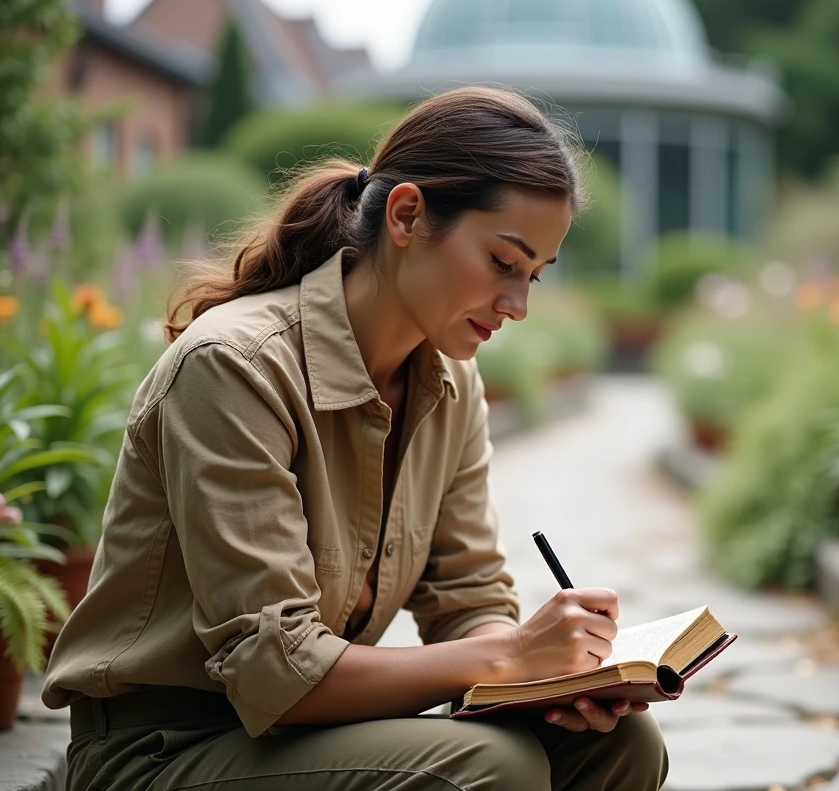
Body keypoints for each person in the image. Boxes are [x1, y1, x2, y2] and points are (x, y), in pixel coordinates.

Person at [41, 87, 668, 791]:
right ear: (406, 215)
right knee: (491, 769)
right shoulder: (234, 370)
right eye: (502, 263)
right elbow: (277, 673)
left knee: (622, 745)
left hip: (311, 737)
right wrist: (510, 656)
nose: (518, 306)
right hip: (162, 750)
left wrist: (550, 674)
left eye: (534, 276)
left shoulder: (448, 385)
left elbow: (468, 600)